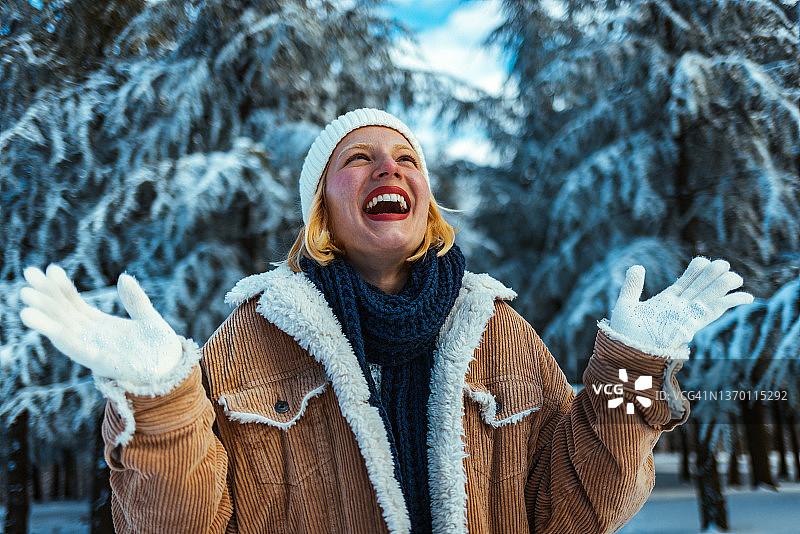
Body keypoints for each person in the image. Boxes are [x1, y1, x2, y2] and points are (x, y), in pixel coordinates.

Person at [19, 108, 753, 534]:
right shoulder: (251, 340)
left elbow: (583, 507)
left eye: (406, 158)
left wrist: (630, 374)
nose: (389, 170)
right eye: (359, 159)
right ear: (321, 209)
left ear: (426, 199)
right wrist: (158, 402)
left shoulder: (496, 329)